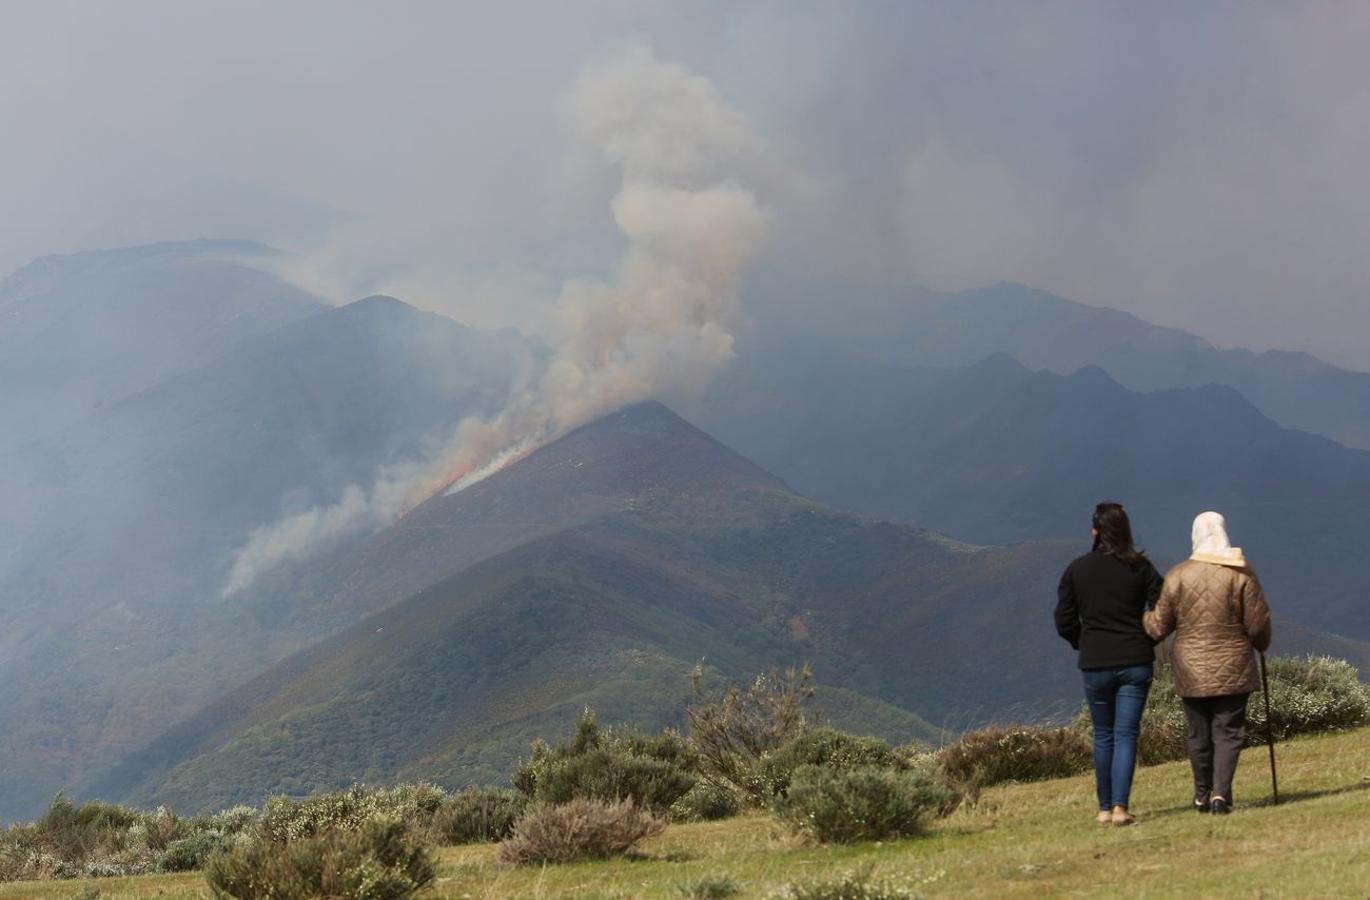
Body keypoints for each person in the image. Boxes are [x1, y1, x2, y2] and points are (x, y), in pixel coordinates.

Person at [1145, 511, 1271, 814]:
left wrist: (1135, 616)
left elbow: (1157, 627)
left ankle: (1201, 794)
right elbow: (1258, 627)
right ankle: (1220, 795)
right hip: (1233, 664)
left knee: (1198, 734)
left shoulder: (1178, 575)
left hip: (1190, 668)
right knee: (1228, 732)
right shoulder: (1240, 572)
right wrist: (1261, 644)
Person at [1054, 502, 1163, 826]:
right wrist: (1147, 637)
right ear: (1125, 531)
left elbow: (1064, 620)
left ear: (1094, 531)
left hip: (1095, 662)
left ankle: (1103, 808)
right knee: (1126, 734)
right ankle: (1120, 808)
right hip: (1135, 659)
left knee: (1103, 735)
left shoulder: (1077, 570)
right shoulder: (1141, 567)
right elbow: (1164, 607)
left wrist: (1082, 641)